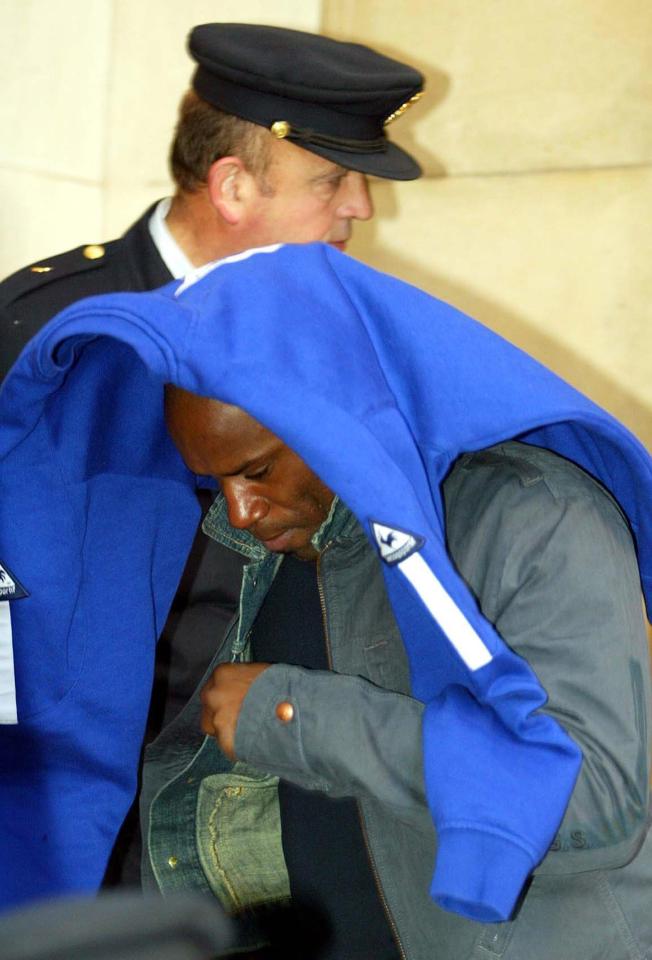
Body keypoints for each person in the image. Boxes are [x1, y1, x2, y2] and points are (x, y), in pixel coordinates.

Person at [2, 243, 650, 956]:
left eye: (257, 470)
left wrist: (294, 715)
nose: (241, 509)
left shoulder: (533, 517)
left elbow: (599, 806)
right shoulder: (237, 542)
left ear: (333, 415)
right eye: (214, 480)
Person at [0, 23, 424, 889]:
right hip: (76, 828)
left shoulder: (344, 337)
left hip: (279, 815)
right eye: (331, 180)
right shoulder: (44, 338)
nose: (360, 208)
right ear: (233, 184)